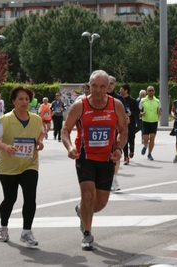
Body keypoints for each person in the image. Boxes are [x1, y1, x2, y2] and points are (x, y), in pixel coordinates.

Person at [61, 70, 128, 251]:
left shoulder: (116, 105)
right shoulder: (79, 105)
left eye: (102, 86)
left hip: (107, 158)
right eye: (94, 86)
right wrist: (69, 147)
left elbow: (123, 130)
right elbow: (65, 130)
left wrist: (119, 148)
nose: (97, 90)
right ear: (89, 86)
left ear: (108, 87)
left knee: (100, 203)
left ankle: (81, 210)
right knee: (88, 195)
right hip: (85, 157)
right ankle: (87, 234)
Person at [0, 86, 45, 247]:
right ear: (13, 101)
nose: (24, 102)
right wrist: (6, 147)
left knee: (30, 197)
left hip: (30, 163)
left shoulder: (36, 119)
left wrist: (40, 142)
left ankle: (26, 231)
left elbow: (42, 131)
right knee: (10, 198)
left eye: (27, 99)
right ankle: (3, 226)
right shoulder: (5, 119)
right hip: (8, 166)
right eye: (20, 99)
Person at [107, 76, 126, 191]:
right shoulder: (98, 97)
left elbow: (124, 114)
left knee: (117, 155)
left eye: (111, 83)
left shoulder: (119, 99)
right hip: (102, 132)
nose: (109, 85)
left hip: (116, 131)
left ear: (115, 85)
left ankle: (114, 179)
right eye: (107, 83)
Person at [139, 86, 162, 160]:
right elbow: (139, 111)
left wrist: (159, 112)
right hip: (145, 121)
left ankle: (149, 154)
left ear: (154, 91)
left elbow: (160, 111)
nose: (151, 92)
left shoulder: (157, 101)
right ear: (147, 92)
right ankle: (145, 146)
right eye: (149, 90)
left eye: (152, 90)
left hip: (154, 121)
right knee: (145, 139)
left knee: (152, 138)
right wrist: (141, 113)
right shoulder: (142, 100)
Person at [119, 83, 139, 165]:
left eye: (121, 89)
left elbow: (137, 111)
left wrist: (131, 113)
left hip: (131, 123)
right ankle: (126, 157)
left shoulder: (132, 100)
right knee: (125, 140)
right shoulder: (119, 100)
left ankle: (132, 150)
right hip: (122, 123)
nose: (120, 90)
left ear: (126, 90)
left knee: (131, 138)